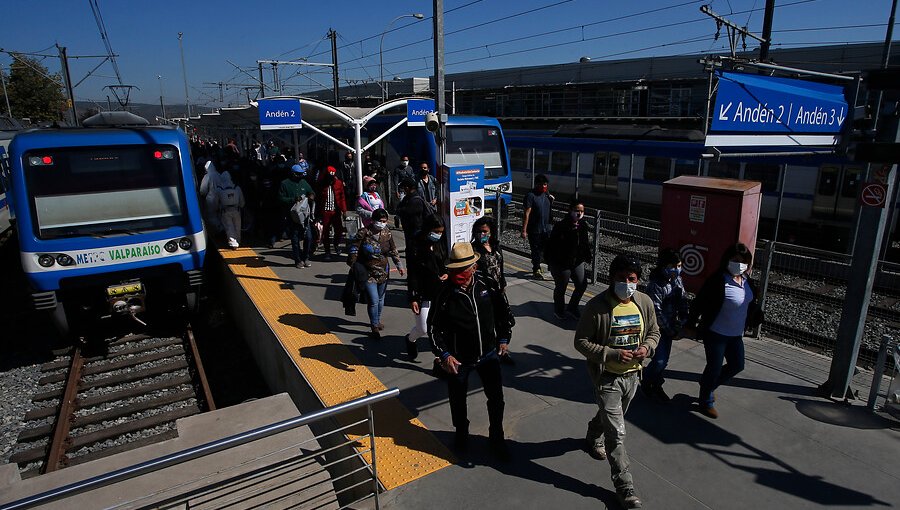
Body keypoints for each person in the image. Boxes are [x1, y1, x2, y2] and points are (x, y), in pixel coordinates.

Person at [574, 254, 660, 510]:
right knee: (617, 434)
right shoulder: (596, 306)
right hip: (608, 379)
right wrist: (610, 354)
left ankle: (592, 433)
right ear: (612, 278)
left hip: (634, 376)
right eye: (621, 278)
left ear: (638, 281)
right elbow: (581, 342)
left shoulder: (644, 302)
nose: (627, 283)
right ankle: (625, 487)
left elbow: (655, 332)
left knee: (614, 417)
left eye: (631, 279)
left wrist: (648, 347)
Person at [428, 242, 515, 459]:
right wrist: (445, 355)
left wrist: (504, 338)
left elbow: (504, 313)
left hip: (488, 355)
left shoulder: (488, 284)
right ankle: (461, 432)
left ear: (473, 268)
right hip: (459, 360)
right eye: (453, 269)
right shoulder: (443, 294)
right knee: (457, 400)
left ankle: (497, 436)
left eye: (462, 269)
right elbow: (433, 329)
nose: (457, 273)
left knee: (496, 398)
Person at [684, 243, 763, 419]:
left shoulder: (746, 280)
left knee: (737, 365)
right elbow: (699, 303)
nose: (740, 264)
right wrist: (691, 325)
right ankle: (706, 400)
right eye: (735, 260)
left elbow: (748, 303)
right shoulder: (718, 280)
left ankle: (707, 385)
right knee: (714, 368)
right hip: (716, 333)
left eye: (743, 261)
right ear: (727, 260)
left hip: (735, 334)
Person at [642, 248, 689, 402]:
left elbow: (682, 300)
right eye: (672, 266)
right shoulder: (656, 285)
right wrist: (671, 331)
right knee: (660, 360)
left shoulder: (677, 280)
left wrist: (683, 320)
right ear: (663, 266)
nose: (676, 269)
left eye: (679, 265)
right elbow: (656, 312)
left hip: (670, 327)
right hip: (658, 328)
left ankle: (655, 383)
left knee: (663, 360)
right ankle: (647, 382)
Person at [348, 208, 404, 339]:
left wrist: (399, 266)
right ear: (373, 220)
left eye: (385, 221)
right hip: (368, 272)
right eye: (380, 221)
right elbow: (354, 249)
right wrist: (353, 265)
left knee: (381, 299)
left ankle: (377, 320)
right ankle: (373, 325)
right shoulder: (363, 233)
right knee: (373, 300)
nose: (383, 223)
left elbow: (393, 250)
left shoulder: (387, 233)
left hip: (383, 271)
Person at [406, 214, 448, 360]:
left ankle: (443, 357)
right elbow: (412, 273)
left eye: (441, 232)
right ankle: (410, 339)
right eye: (436, 231)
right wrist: (413, 297)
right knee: (423, 328)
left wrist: (445, 274)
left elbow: (442, 263)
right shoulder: (416, 246)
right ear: (428, 229)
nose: (439, 235)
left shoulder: (439, 244)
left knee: (443, 327)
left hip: (440, 291)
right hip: (423, 293)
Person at [545, 201, 591, 320]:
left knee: (582, 284)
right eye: (577, 210)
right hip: (562, 263)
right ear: (570, 210)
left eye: (582, 211)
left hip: (577, 261)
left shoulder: (583, 225)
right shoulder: (561, 226)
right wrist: (550, 261)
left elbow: (585, 243)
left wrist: (587, 255)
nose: (579, 213)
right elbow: (552, 245)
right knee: (561, 287)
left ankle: (572, 307)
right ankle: (559, 310)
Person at [521, 174, 553, 279]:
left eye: (545, 184)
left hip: (546, 228)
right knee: (536, 250)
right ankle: (536, 268)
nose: (544, 186)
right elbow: (527, 213)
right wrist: (524, 230)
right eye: (542, 184)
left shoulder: (547, 194)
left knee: (548, 249)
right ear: (537, 184)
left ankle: (547, 264)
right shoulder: (530, 196)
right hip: (535, 229)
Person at [396, 177, 433, 261]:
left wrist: (401, 210)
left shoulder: (415, 200)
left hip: (416, 232)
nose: (404, 190)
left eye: (404, 187)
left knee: (415, 255)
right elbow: (398, 209)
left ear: (408, 188)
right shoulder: (407, 198)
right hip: (410, 232)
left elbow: (404, 211)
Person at [316, 166, 347, 259]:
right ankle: (327, 251)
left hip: (336, 211)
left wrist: (344, 210)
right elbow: (318, 198)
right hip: (325, 211)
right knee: (325, 232)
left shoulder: (338, 183)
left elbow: (342, 198)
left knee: (339, 230)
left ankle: (336, 244)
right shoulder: (321, 184)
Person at [216, 170, 245, 248]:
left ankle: (233, 242)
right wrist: (241, 206)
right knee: (237, 226)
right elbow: (241, 199)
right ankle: (238, 240)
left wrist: (218, 208)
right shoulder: (236, 187)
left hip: (225, 211)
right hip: (236, 210)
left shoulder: (219, 189)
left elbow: (216, 201)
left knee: (229, 227)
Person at [199, 160, 224, 233]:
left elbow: (203, 189)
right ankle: (222, 227)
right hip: (221, 196)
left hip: (211, 197)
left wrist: (202, 195)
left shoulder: (207, 176)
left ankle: (219, 228)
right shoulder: (218, 174)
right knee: (220, 213)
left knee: (211, 215)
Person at [391, 155, 415, 226]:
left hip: (409, 190)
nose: (405, 162)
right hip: (401, 190)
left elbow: (412, 178)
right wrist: (396, 191)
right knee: (402, 204)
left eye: (406, 160)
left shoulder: (410, 168)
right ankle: (398, 217)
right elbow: (395, 180)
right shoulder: (398, 169)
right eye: (404, 160)